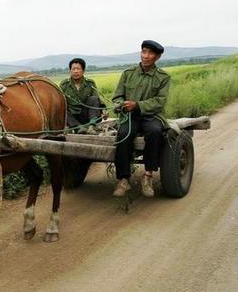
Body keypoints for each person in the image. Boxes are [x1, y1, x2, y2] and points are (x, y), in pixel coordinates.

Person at [112, 40, 170, 197]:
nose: (146, 56)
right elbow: (117, 96)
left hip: (151, 116)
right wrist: (120, 105)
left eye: (151, 53)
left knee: (155, 132)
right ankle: (123, 179)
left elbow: (160, 101)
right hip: (130, 116)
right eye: (144, 51)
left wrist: (137, 105)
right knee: (123, 134)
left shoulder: (163, 77)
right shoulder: (128, 74)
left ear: (157, 57)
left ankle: (148, 176)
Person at [60, 58, 106, 134]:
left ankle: (92, 126)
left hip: (86, 115)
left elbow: (97, 98)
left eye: (78, 69)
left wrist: (104, 109)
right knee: (62, 107)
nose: (75, 71)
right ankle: (78, 127)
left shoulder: (90, 83)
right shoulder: (64, 85)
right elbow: (60, 102)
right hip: (71, 117)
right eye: (73, 69)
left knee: (93, 99)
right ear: (70, 71)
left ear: (83, 71)